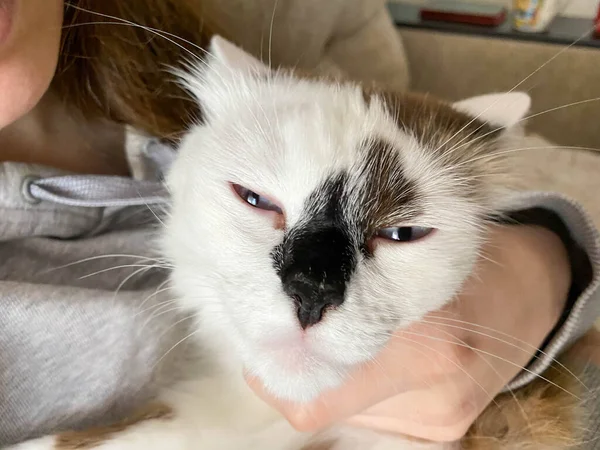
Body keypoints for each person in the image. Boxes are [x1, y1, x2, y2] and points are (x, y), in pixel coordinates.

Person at [0, 0, 598, 447]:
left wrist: (545, 259)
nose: (313, 293)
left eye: (398, 233)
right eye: (257, 201)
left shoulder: (174, 48)